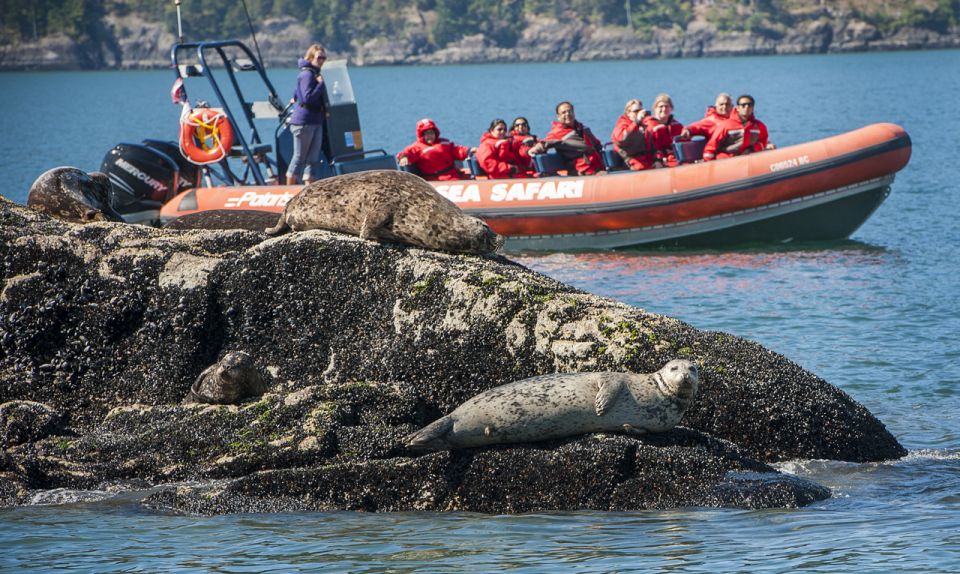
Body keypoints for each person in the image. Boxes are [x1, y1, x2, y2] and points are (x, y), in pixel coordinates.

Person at [286, 44, 329, 185]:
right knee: (299, 158)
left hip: (316, 121)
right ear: (311, 58)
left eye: (324, 58)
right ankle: (288, 190)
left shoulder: (314, 74)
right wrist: (320, 85)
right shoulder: (307, 75)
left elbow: (295, 95)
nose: (322, 60)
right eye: (319, 57)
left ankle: (308, 188)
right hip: (303, 123)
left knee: (313, 159)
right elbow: (306, 98)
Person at [528, 101, 605, 175]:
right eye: (563, 112)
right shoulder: (557, 132)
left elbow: (597, 145)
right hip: (582, 171)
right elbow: (545, 143)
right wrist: (534, 149)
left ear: (574, 113)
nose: (567, 114)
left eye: (569, 111)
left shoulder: (583, 129)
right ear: (558, 116)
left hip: (597, 167)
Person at [703, 94, 776, 162]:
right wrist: (709, 163)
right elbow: (711, 146)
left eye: (749, 105)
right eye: (743, 105)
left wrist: (752, 149)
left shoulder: (759, 126)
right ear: (737, 108)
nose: (746, 107)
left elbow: (763, 141)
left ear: (753, 108)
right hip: (726, 161)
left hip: (748, 160)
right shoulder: (726, 126)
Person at [396, 118, 474, 181]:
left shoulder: (445, 143)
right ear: (422, 135)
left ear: (435, 133)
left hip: (452, 176)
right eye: (427, 134)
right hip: (432, 180)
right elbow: (407, 153)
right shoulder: (416, 148)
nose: (430, 136)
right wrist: (404, 157)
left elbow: (457, 150)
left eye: (431, 133)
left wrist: (469, 151)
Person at [611, 99, 660, 171]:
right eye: (636, 111)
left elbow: (654, 147)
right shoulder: (621, 126)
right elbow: (623, 139)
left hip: (649, 163)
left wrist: (658, 160)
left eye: (640, 111)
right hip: (633, 165)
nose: (639, 113)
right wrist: (636, 122)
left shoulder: (644, 126)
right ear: (628, 113)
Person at [648, 93, 690, 167]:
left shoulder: (677, 126)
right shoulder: (649, 126)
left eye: (667, 106)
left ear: (671, 108)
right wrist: (658, 159)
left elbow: (685, 143)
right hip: (658, 161)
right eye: (661, 106)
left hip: (676, 159)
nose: (664, 109)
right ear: (655, 108)